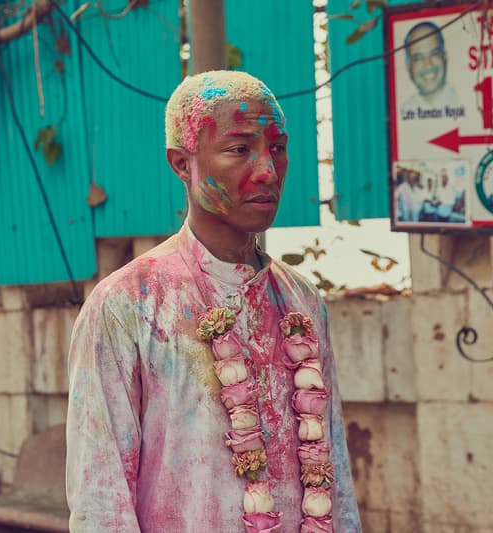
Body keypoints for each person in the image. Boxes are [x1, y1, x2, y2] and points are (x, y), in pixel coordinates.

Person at [66, 71, 360, 532]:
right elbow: (101, 499)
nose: (267, 171)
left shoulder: (302, 300)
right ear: (183, 164)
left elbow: (334, 473)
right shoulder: (126, 303)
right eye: (240, 149)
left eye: (277, 148)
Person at [399, 21, 458, 114]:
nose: (428, 64)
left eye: (434, 54)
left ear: (445, 57)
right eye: (418, 58)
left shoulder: (465, 102)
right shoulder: (402, 112)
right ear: (408, 66)